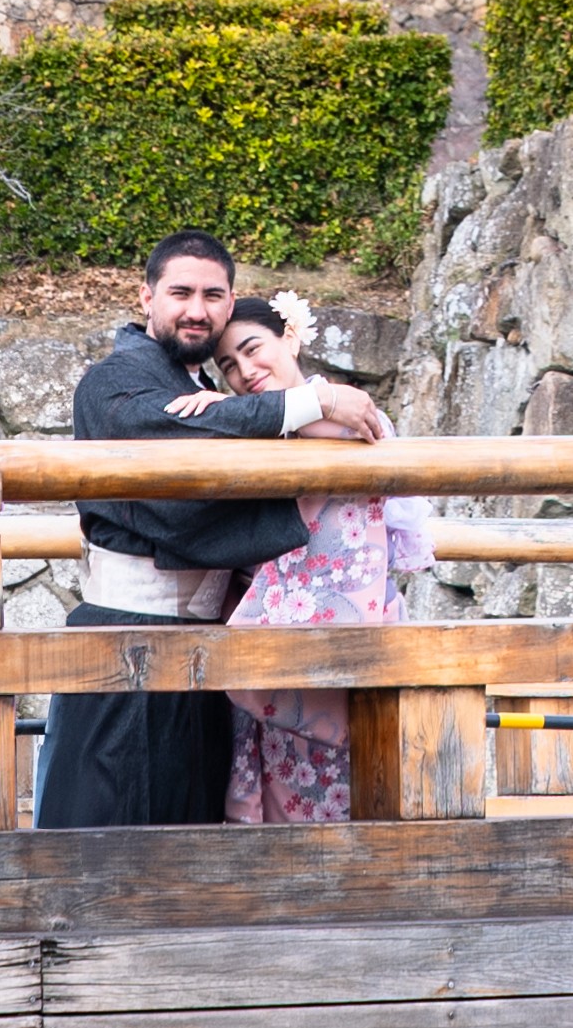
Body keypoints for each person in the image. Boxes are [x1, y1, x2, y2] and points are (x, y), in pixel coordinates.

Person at [31, 230, 385, 827]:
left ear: (230, 301)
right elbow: (171, 445)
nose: (197, 309)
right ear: (146, 298)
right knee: (106, 821)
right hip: (127, 632)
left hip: (204, 648)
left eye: (212, 294)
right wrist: (314, 401)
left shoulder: (203, 393)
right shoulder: (114, 379)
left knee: (191, 824)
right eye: (180, 292)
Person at [165, 291, 433, 822]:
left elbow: (351, 429)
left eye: (252, 349)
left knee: (356, 783)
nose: (245, 371)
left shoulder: (337, 404)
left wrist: (239, 412)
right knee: (278, 785)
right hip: (270, 608)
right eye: (228, 367)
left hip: (344, 610)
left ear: (289, 336)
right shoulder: (255, 424)